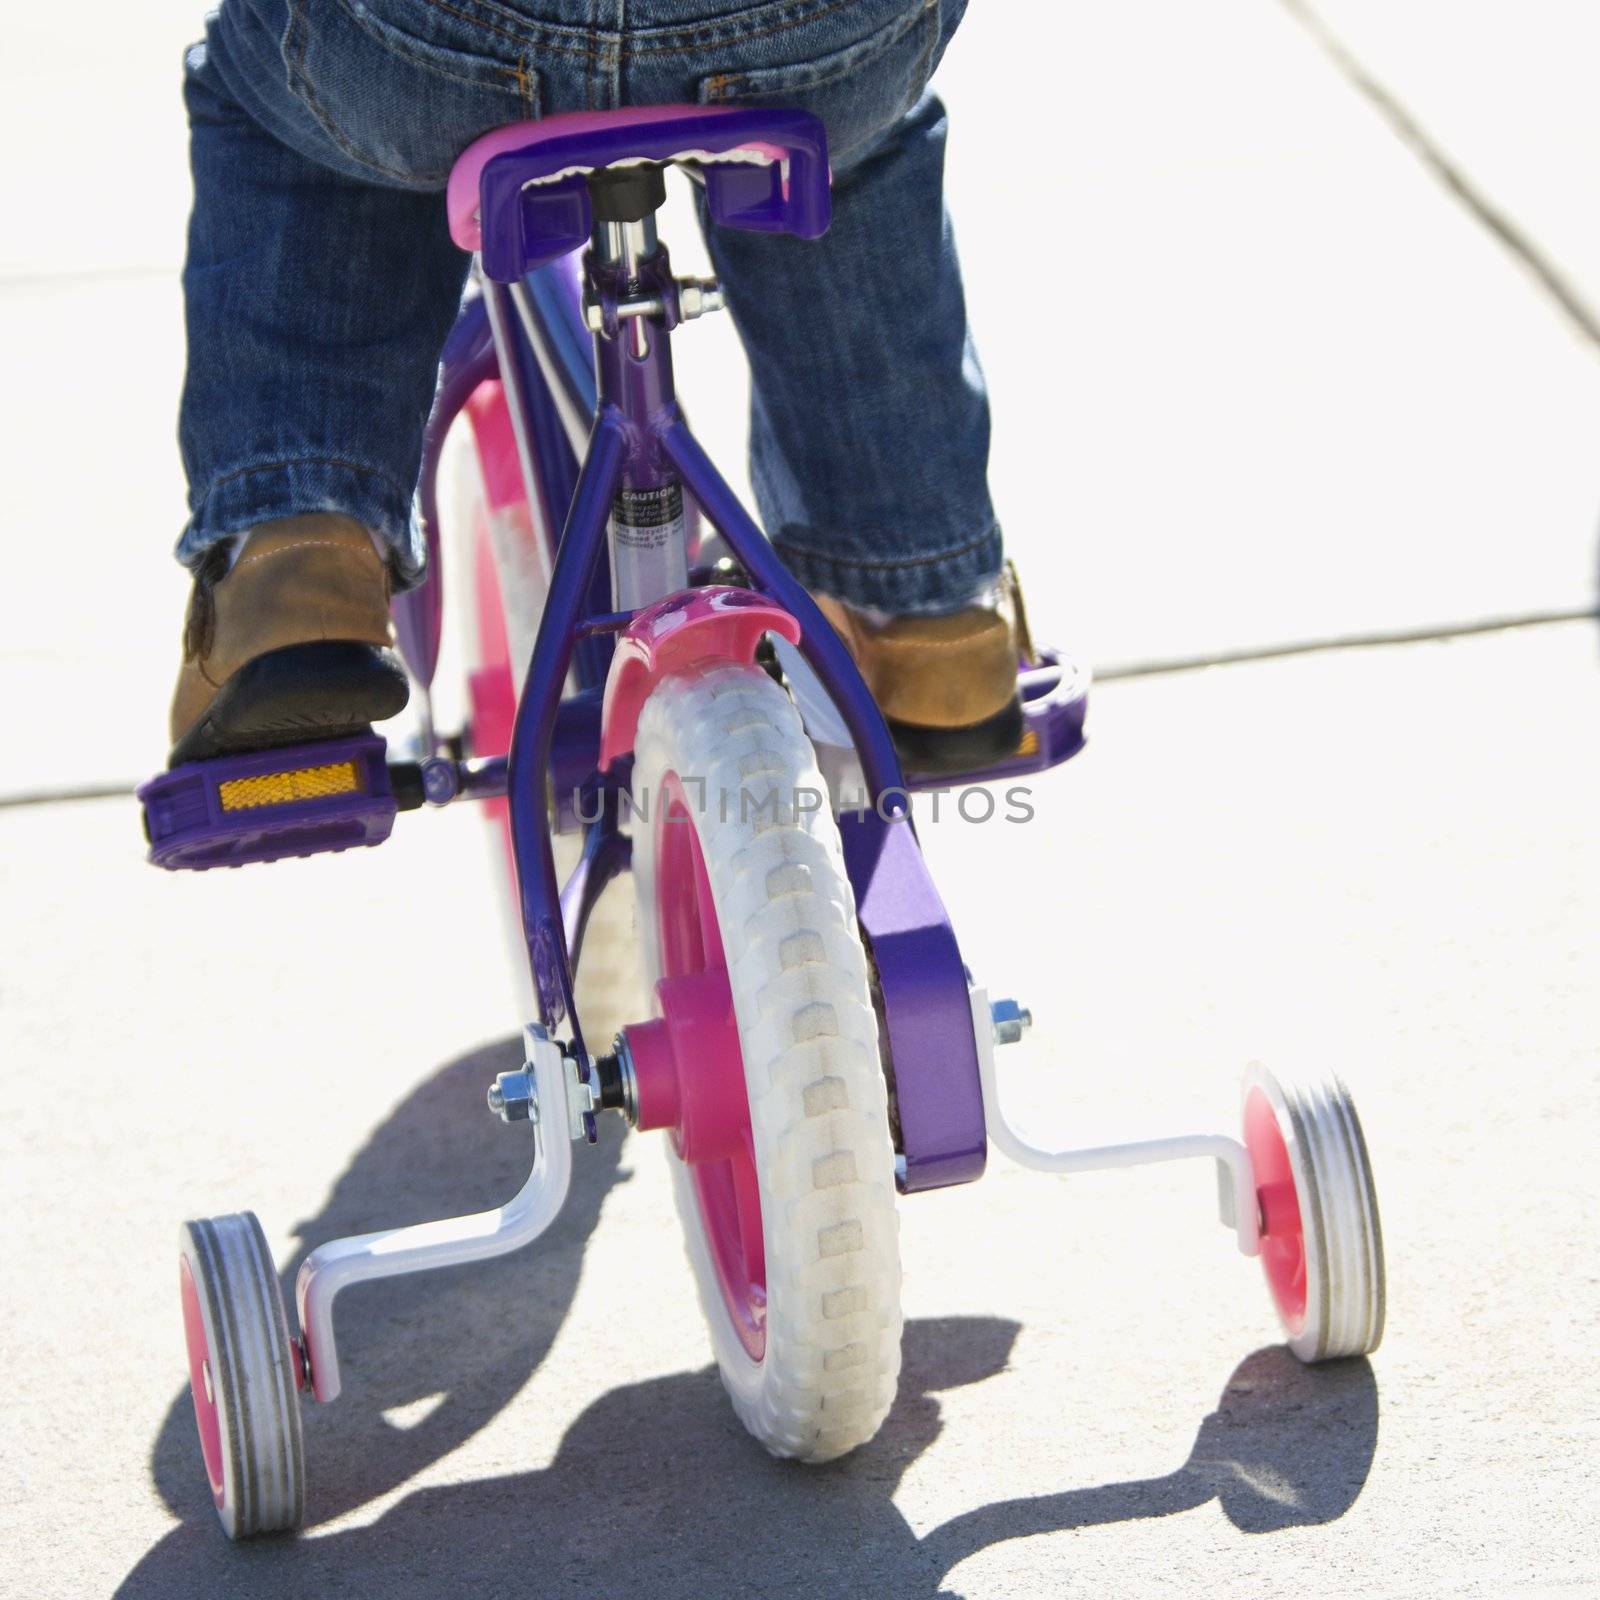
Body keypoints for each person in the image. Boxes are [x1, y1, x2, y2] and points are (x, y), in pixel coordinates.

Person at [170, 0, 1025, 775]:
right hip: (811, 34)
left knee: (307, 119)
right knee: (846, 141)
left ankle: (299, 568)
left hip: (436, 42)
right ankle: (920, 610)